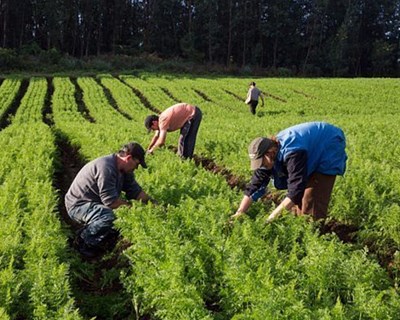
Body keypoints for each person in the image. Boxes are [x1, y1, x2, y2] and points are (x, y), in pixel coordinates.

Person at [231, 122, 347, 222]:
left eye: (262, 162)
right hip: (310, 149)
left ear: (270, 153)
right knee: (298, 202)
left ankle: (312, 232)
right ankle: (299, 226)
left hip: (328, 145)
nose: (261, 166)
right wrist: (239, 212)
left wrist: (271, 218)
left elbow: (295, 189)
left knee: (311, 201)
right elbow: (254, 186)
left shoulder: (292, 152)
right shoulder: (270, 157)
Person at [65, 142, 155, 258]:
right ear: (128, 158)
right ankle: (82, 241)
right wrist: (135, 210)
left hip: (94, 204)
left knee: (114, 220)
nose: (136, 168)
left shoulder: (124, 171)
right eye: (136, 164)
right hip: (78, 205)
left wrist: (153, 204)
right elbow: (111, 202)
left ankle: (103, 241)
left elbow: (136, 192)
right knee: (108, 215)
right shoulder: (106, 167)